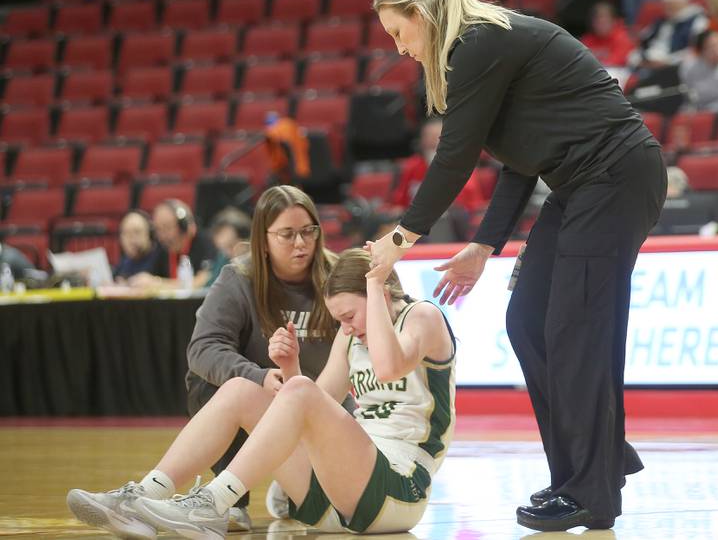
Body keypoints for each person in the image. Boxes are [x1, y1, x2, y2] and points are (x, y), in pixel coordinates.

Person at [367, 0, 666, 532]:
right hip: (581, 184)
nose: (400, 49)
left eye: (399, 33)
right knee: (529, 320)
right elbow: (515, 162)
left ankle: (591, 490)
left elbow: (454, 156)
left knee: (575, 330)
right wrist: (483, 245)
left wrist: (401, 237)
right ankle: (592, 460)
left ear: (422, 15)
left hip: (615, 175)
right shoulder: (483, 47)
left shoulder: (479, 44)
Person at [66, 248, 456, 538]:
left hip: (399, 487)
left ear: (381, 295)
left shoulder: (422, 317)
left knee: (298, 391)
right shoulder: (350, 335)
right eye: (341, 320)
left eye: (350, 316)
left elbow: (388, 366)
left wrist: (374, 281)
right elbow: (315, 409)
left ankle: (213, 504)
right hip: (342, 494)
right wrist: (291, 368)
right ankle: (142, 497)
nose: (348, 328)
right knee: (240, 389)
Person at [184, 185, 346, 531]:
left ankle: (299, 483)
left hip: (323, 404)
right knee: (205, 382)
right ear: (264, 239)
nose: (301, 243)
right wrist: (257, 376)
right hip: (260, 396)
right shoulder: (239, 278)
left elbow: (385, 320)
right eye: (287, 235)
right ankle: (231, 500)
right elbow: (203, 348)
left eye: (308, 231)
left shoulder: (339, 275)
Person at [128, 199, 217, 290]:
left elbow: (202, 282)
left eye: (167, 228)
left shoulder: (205, 243)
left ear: (184, 226)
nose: (162, 236)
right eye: (158, 230)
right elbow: (150, 278)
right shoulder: (163, 248)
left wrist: (158, 284)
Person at [629, 0, 708, 71]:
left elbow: (694, 51)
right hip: (650, 62)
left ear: (684, 2)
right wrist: (640, 59)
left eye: (672, 4)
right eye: (666, 4)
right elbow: (643, 41)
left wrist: (667, 62)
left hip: (674, 68)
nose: (668, 8)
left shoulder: (697, 20)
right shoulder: (661, 21)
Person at [113, 210, 167, 282]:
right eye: (126, 233)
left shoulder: (163, 256)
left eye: (137, 232)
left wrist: (157, 282)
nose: (131, 239)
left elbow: (182, 283)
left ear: (150, 234)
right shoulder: (125, 261)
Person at [205, 206, 251, 287]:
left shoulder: (257, 264)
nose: (228, 253)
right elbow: (210, 287)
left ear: (247, 241)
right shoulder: (223, 257)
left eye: (231, 245)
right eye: (223, 248)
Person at [580, 2, 635, 69]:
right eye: (598, 22)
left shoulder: (623, 38)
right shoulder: (587, 40)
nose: (601, 26)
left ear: (614, 21)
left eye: (605, 22)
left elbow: (615, 62)